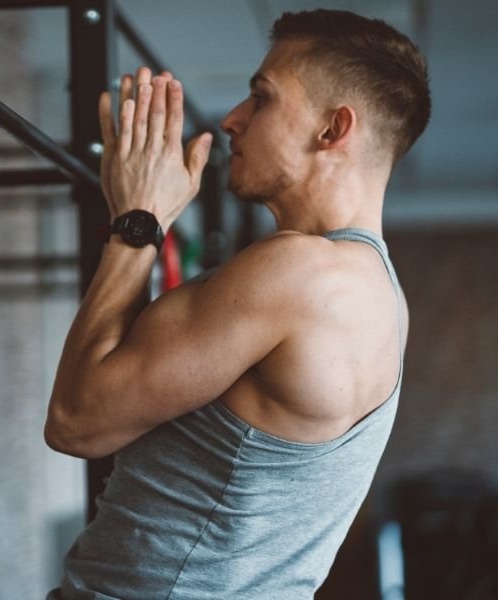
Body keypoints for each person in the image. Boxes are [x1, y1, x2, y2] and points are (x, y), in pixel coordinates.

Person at [45, 8, 430, 599]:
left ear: (333, 130)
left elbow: (77, 422)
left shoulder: (299, 272)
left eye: (261, 98)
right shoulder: (379, 291)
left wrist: (138, 218)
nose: (231, 119)